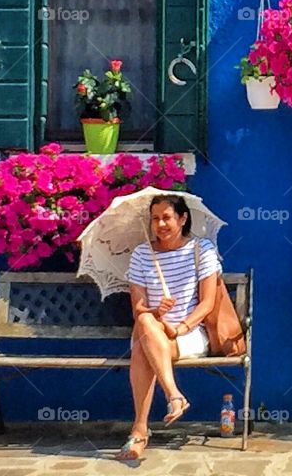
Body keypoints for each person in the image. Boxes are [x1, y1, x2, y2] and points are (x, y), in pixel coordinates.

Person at [116, 194, 220, 461]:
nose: (160, 224)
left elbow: (207, 303)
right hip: (152, 329)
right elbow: (138, 309)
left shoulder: (201, 249)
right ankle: (174, 395)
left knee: (142, 350)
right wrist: (156, 311)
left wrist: (181, 327)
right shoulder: (142, 254)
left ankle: (139, 430)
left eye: (166, 217)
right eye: (155, 219)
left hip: (190, 333)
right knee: (146, 324)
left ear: (182, 218)